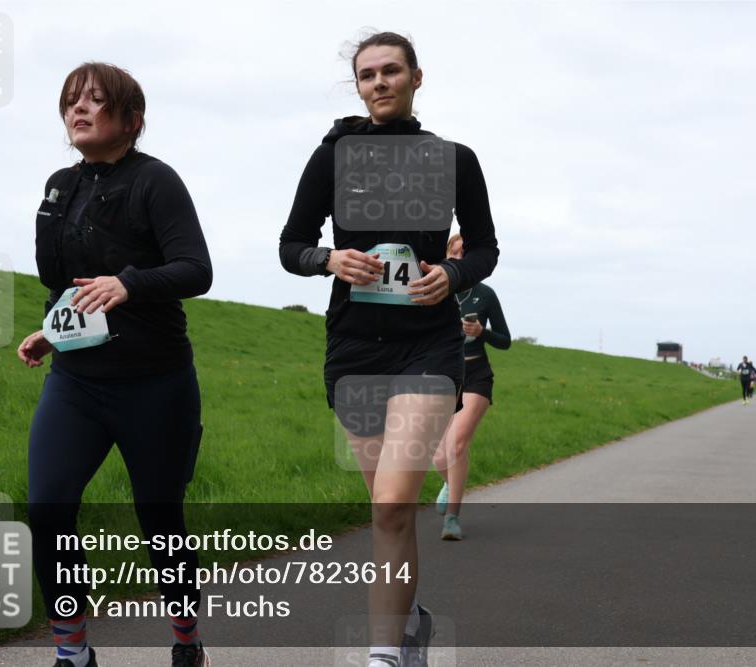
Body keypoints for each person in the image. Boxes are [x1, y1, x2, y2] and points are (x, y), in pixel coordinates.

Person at [279, 31, 498, 667]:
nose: (379, 82)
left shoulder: (454, 158)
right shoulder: (334, 157)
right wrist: (329, 259)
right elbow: (292, 244)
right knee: (386, 515)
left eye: (391, 71)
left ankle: (381, 655)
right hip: (355, 347)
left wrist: (451, 277)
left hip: (426, 345)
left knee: (395, 500)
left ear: (416, 78)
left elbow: (483, 248)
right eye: (368, 74)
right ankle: (408, 624)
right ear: (359, 86)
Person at [17, 63, 213, 667]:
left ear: (130, 119)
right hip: (76, 383)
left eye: (94, 101)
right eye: (71, 101)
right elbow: (68, 285)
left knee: (159, 519)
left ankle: (186, 642)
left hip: (154, 383)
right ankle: (72, 652)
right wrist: (53, 332)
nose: (78, 110)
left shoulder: (157, 182)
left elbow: (196, 271)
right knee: (48, 507)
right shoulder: (59, 185)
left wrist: (129, 284)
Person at [432, 234, 510, 540]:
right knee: (439, 457)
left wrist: (482, 332)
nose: (462, 258)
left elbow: (505, 340)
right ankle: (453, 483)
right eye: (456, 253)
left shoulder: (486, 295)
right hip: (444, 377)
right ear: (448, 257)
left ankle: (452, 517)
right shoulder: (436, 291)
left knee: (457, 444)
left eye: (467, 253)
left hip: (476, 374)